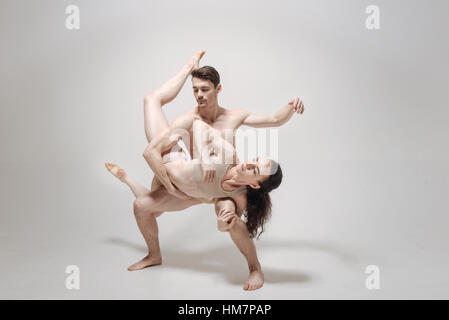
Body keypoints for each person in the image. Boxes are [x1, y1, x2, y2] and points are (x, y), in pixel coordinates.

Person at [106, 50, 304, 290]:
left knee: (230, 219)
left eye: (205, 89)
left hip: (221, 185)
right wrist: (173, 186)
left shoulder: (233, 118)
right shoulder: (189, 119)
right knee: (145, 206)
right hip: (188, 177)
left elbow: (274, 119)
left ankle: (255, 268)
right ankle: (154, 254)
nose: (199, 95)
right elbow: (153, 152)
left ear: (218, 89)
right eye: (195, 89)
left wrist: (291, 106)